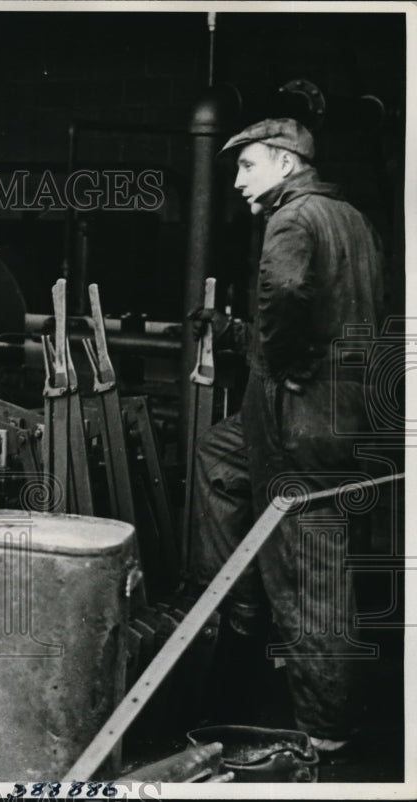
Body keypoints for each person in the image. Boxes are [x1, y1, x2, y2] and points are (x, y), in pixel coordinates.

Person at [188, 118, 384, 753]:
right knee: (220, 456)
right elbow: (330, 308)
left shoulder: (293, 219)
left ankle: (327, 734)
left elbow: (290, 291)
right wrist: (234, 330)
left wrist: (277, 355)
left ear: (285, 162)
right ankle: (242, 610)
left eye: (248, 166)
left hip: (302, 422)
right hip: (340, 414)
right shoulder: (351, 218)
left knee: (311, 573)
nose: (239, 182)